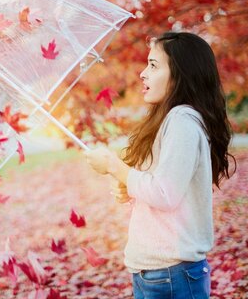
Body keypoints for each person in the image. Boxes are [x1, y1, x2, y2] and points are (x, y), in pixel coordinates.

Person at [85, 31, 236, 299]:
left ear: (182, 74)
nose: (143, 73)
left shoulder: (182, 121)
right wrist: (128, 186)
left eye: (153, 65)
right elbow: (163, 188)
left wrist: (114, 165)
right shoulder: (170, 120)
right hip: (154, 273)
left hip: (172, 276)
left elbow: (165, 194)